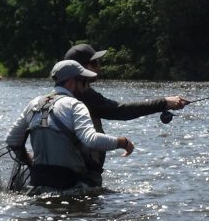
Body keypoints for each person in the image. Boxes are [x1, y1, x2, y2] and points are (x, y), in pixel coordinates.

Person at [63, 43, 187, 185]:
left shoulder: (59, 96)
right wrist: (163, 103)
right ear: (80, 68)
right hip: (81, 176)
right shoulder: (84, 95)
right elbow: (120, 111)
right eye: (94, 62)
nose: (99, 66)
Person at [5, 59, 134, 192]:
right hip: (68, 183)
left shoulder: (34, 103)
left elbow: (11, 140)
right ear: (71, 82)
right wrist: (123, 142)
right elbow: (91, 140)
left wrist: (29, 159)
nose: (86, 86)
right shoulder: (75, 105)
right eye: (84, 81)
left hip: (38, 181)